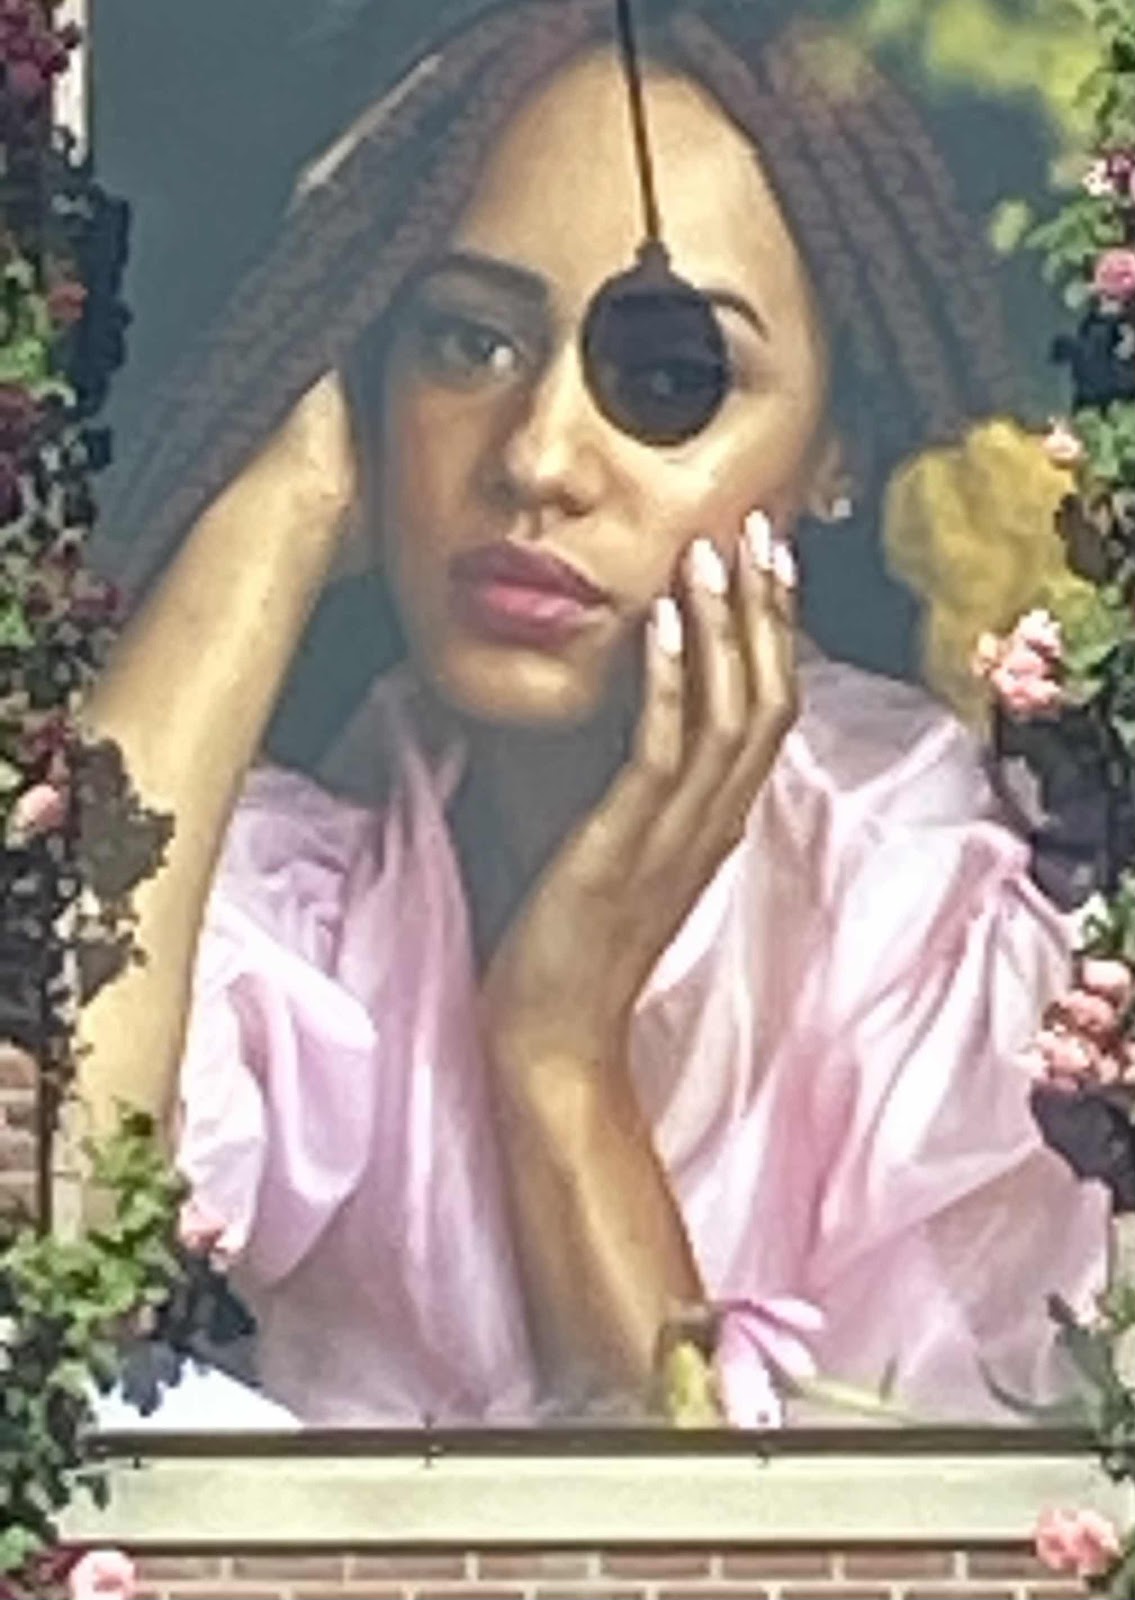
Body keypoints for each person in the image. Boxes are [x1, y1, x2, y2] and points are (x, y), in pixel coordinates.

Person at [79, 0, 1110, 1428]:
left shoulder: (941, 926)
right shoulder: (298, 892)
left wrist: (558, 1058)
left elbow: (819, 1545)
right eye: (466, 343)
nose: (540, 456)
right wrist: (280, 503)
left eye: (671, 377)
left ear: (836, 453)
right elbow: (47, 1253)